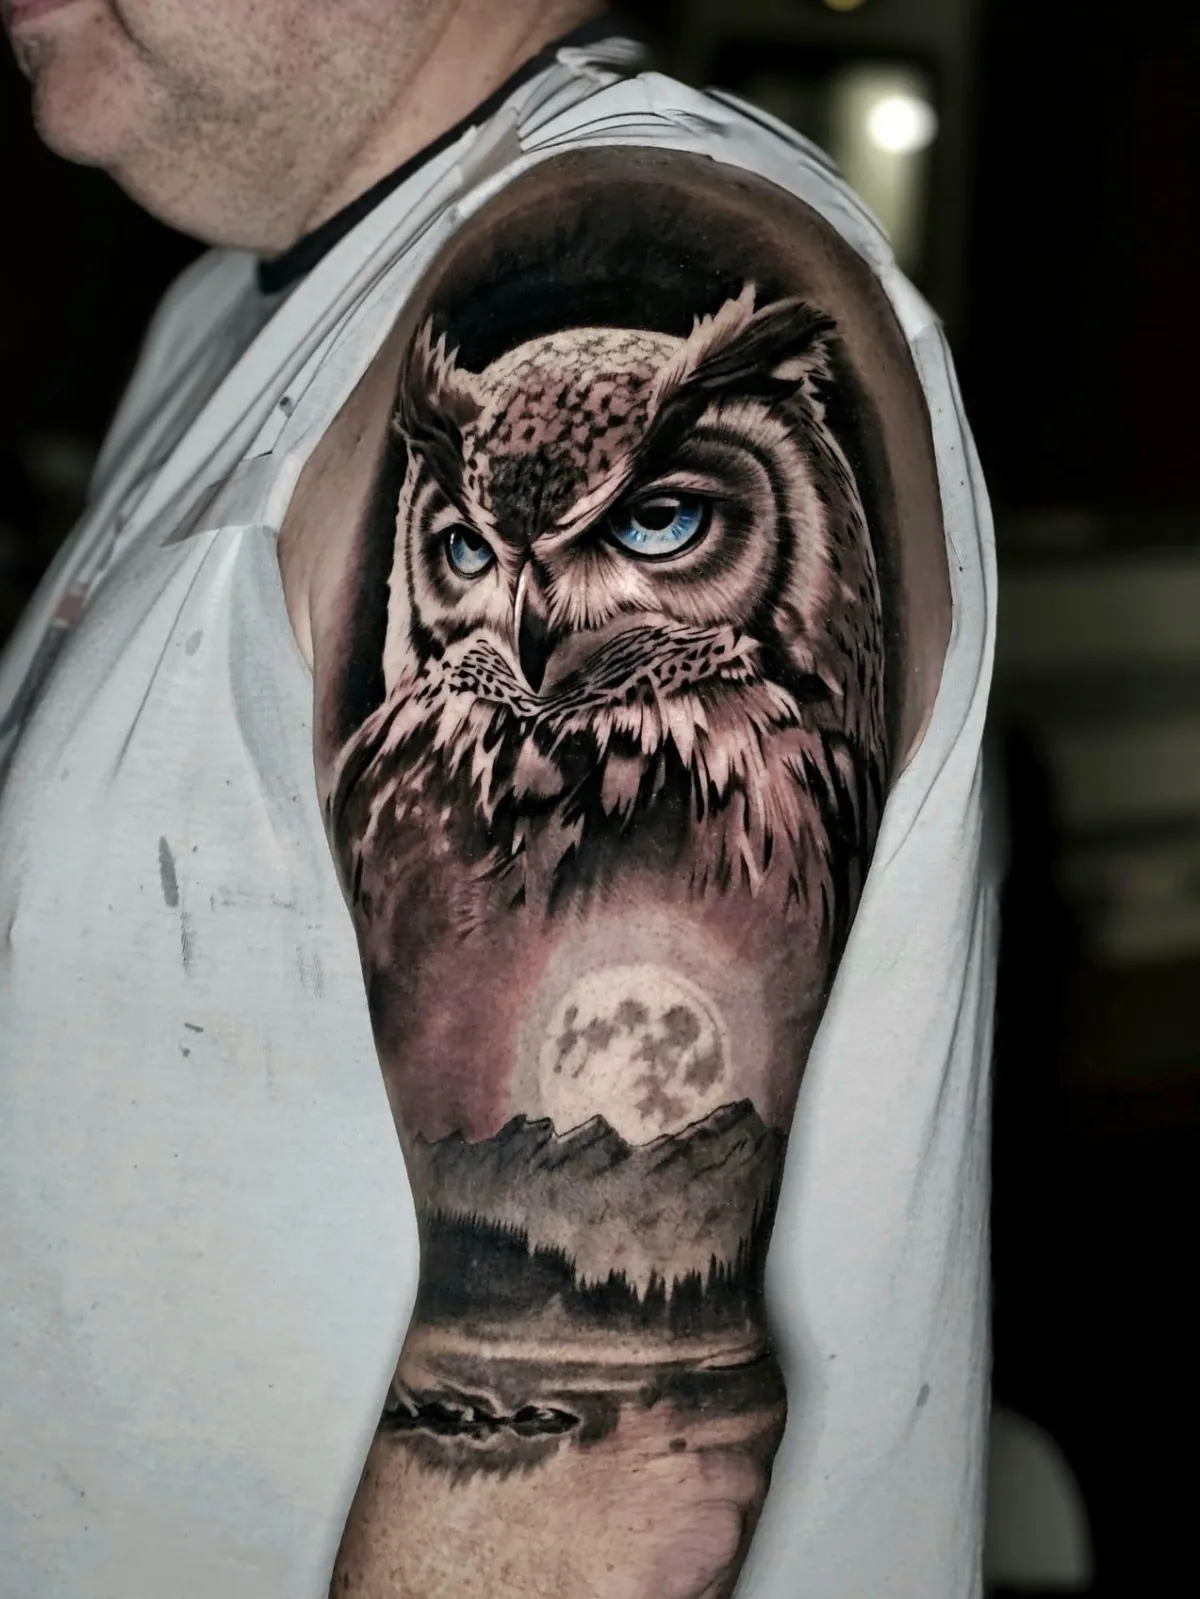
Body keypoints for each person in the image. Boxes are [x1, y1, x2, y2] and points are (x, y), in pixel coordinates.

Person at [0, 3, 997, 1596]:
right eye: (472, 557)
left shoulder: (621, 243)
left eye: (659, 527)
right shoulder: (251, 306)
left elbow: (594, 1493)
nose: (535, 637)